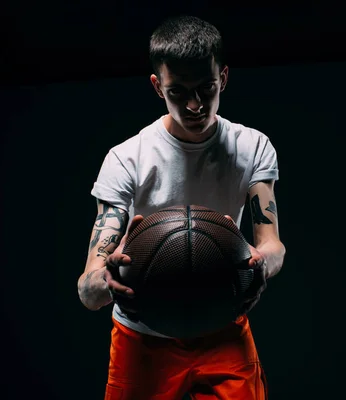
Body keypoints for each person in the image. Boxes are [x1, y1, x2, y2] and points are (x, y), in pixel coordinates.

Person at [76, 15, 286, 400]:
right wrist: (105, 277)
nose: (194, 104)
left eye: (206, 88)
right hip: (143, 334)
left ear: (223, 77)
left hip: (221, 322)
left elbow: (272, 245)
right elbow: (88, 290)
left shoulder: (253, 147)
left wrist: (260, 266)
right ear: (158, 86)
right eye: (179, 92)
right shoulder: (127, 159)